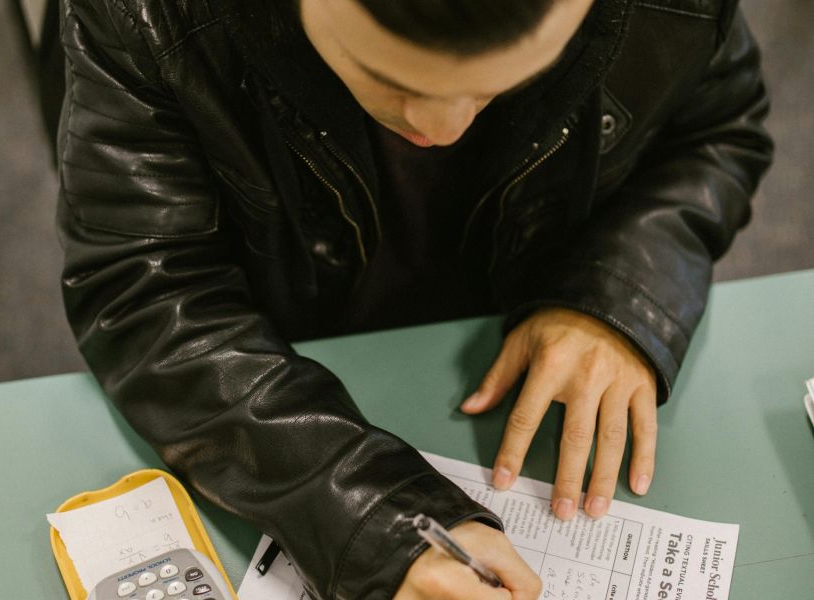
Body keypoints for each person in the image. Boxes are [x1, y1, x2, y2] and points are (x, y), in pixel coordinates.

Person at [54, 0, 772, 597]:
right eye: (385, 76)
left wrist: (616, 294)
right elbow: (143, 283)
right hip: (278, 344)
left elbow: (716, 131)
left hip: (524, 300)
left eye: (506, 82)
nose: (442, 128)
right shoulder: (150, 12)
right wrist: (376, 523)